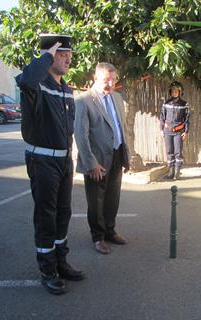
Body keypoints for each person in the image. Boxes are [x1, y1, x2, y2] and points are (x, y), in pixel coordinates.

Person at [15, 34, 84, 295]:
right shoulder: (36, 83)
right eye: (61, 54)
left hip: (64, 160)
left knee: (63, 213)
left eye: (69, 55)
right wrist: (46, 55)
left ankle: (60, 261)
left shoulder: (65, 88)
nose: (68, 59)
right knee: (46, 216)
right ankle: (47, 269)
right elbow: (26, 79)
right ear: (49, 55)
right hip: (42, 159)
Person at [74, 62, 130, 255]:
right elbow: (81, 135)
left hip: (116, 154)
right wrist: (90, 163)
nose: (110, 84)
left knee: (113, 197)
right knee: (96, 201)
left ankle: (110, 230)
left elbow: (122, 128)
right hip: (96, 160)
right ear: (95, 78)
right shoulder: (83, 100)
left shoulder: (117, 97)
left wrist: (125, 156)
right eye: (106, 80)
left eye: (113, 80)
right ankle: (98, 237)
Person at [159, 81, 190, 180]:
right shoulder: (166, 103)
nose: (174, 93)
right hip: (168, 131)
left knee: (178, 151)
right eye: (172, 91)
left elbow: (187, 119)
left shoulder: (184, 104)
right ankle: (171, 172)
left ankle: (177, 172)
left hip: (178, 132)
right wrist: (161, 129)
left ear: (180, 92)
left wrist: (186, 131)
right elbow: (162, 117)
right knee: (169, 151)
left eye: (176, 91)